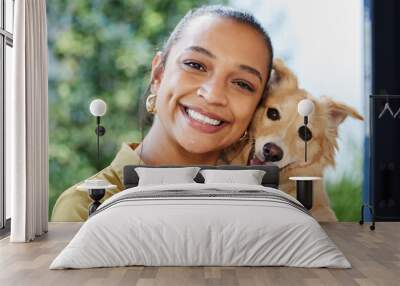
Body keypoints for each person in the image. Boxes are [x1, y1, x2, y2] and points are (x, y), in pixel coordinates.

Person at [51, 5, 274, 222]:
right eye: (195, 65)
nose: (214, 94)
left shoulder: (261, 209)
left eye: (243, 84)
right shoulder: (83, 208)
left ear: (256, 107)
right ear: (158, 74)